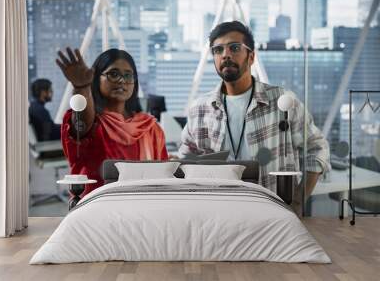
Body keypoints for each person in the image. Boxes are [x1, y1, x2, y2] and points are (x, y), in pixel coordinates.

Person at [179, 21, 330, 211]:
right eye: (218, 50)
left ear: (251, 57)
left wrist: (299, 201)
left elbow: (317, 148)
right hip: (216, 213)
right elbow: (185, 161)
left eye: (234, 47)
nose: (225, 54)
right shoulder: (200, 109)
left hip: (272, 213)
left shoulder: (282, 101)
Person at [56, 48, 168, 196]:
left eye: (128, 75)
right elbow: (82, 121)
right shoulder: (92, 122)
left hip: (142, 205)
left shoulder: (150, 127)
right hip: (96, 206)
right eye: (113, 74)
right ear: (96, 78)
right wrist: (82, 87)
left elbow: (164, 174)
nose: (122, 80)